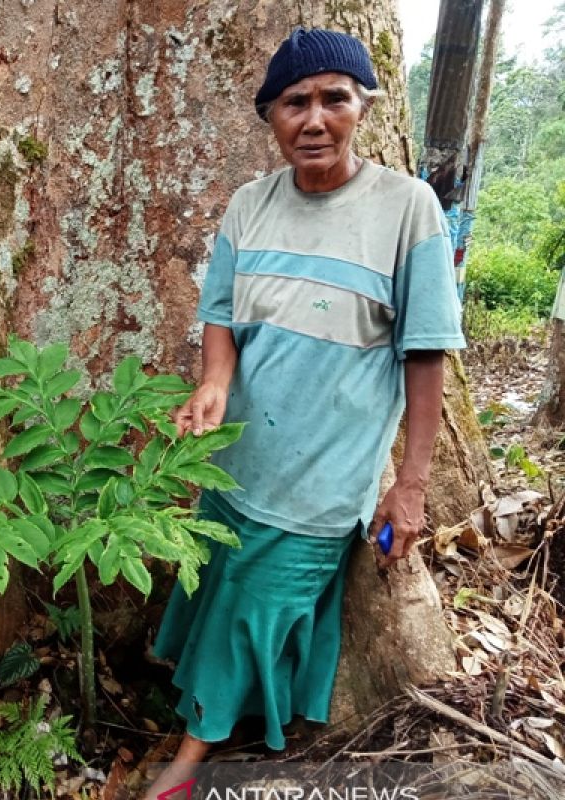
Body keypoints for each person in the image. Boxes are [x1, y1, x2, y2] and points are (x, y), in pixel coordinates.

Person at [143, 28, 464, 797]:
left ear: (363, 108)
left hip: (323, 477)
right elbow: (220, 315)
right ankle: (209, 711)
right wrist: (214, 384)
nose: (314, 119)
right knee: (215, 588)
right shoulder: (250, 206)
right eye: (294, 103)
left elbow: (425, 355)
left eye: (334, 99)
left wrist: (410, 485)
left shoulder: (406, 209)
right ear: (271, 116)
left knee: (259, 606)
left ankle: (191, 758)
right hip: (233, 458)